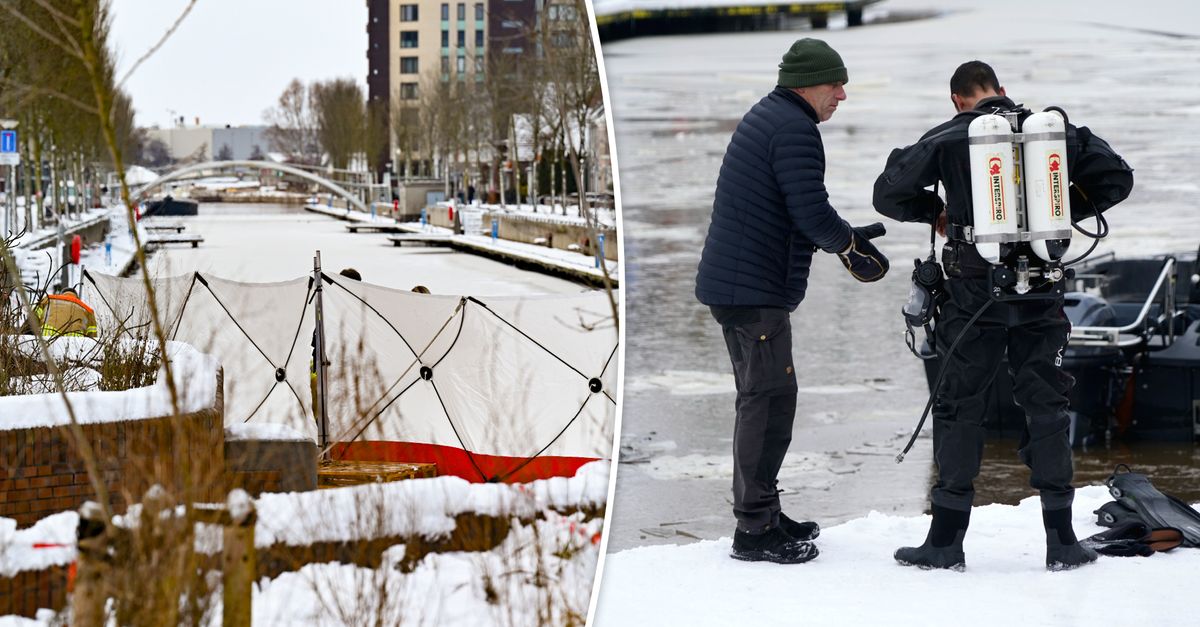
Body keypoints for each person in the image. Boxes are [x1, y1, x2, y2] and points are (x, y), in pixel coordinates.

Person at [873, 61, 1133, 571]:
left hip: (974, 294)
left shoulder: (949, 137)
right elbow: (1117, 178)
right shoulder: (1053, 133)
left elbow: (888, 193)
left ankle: (945, 542)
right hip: (1042, 291)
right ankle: (1061, 542)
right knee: (1048, 408)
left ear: (958, 100)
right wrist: (1055, 218)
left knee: (959, 408)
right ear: (1003, 91)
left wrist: (938, 214)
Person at [695, 38, 890, 565]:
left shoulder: (771, 117)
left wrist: (847, 234)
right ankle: (754, 531)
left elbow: (790, 210)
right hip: (751, 291)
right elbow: (809, 211)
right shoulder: (794, 129)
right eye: (835, 85)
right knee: (768, 405)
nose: (842, 95)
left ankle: (762, 509)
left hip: (740, 286)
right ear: (808, 84)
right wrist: (848, 244)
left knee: (762, 401)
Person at [28, 287, 98, 338]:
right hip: (74, 344)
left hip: (47, 336)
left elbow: (32, 319)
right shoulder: (88, 311)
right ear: (77, 298)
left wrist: (23, 334)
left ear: (61, 295)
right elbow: (92, 339)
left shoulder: (48, 299)